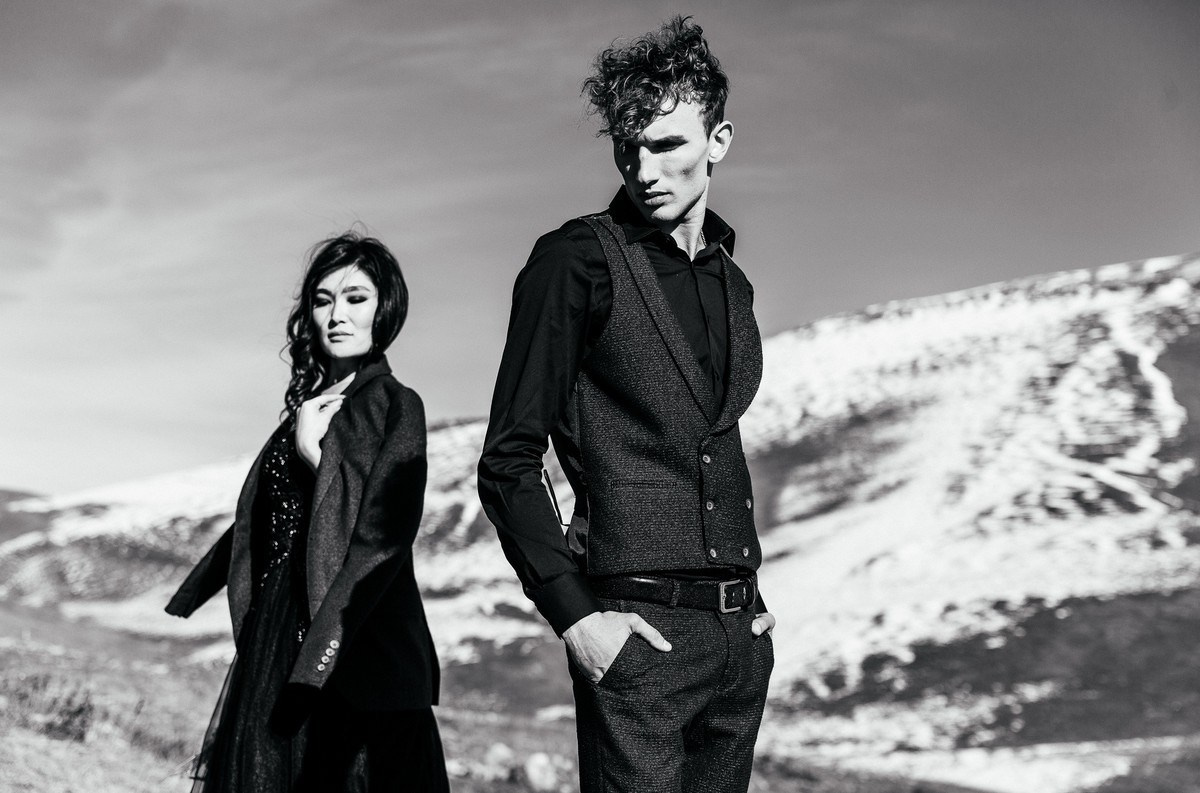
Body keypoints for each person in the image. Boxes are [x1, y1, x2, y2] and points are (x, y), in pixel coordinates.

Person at [478, 16, 774, 793]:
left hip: (738, 641)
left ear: (719, 140)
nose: (644, 169)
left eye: (668, 144)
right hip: (636, 634)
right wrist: (580, 620)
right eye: (628, 147)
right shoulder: (576, 260)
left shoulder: (731, 282)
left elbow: (716, 445)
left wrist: (754, 607)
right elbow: (509, 461)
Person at [166, 232, 448, 792]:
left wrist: (312, 456)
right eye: (323, 300)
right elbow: (260, 518)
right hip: (275, 632)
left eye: (355, 298)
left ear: (385, 308)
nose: (336, 315)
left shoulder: (395, 406)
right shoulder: (309, 409)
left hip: (352, 635)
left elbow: (381, 537)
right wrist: (194, 589)